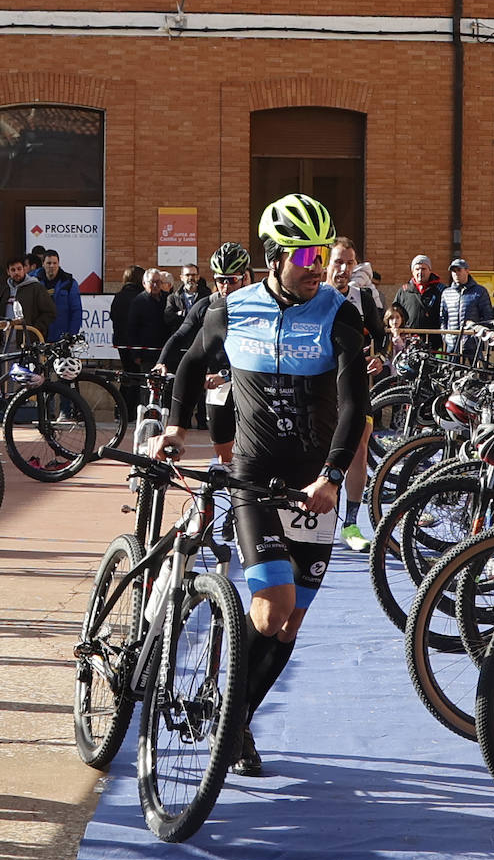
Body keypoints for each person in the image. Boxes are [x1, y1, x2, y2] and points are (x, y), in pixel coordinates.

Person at [153, 193, 367, 777]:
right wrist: (175, 424)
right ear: (273, 256)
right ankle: (230, 723)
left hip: (312, 486)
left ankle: (233, 716)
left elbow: (354, 404)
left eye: (320, 252)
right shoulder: (231, 309)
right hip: (253, 477)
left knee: (291, 621)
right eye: (303, 252)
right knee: (273, 608)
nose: (315, 264)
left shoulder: (337, 313)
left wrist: (331, 476)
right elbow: (193, 363)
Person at [155, 242, 253, 465]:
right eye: (220, 280)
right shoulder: (207, 307)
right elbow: (182, 340)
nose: (225, 286)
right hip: (219, 386)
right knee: (224, 455)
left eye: (232, 280)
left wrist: (227, 375)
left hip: (251, 386)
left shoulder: (261, 308)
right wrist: (162, 362)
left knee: (256, 457)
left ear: (246, 277)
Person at [328, 238, 384, 552]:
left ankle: (350, 523)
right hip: (322, 384)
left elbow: (381, 335)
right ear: (326, 263)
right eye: (338, 261)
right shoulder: (315, 296)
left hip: (355, 384)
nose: (344, 269)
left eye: (350, 263)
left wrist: (382, 358)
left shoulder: (361, 296)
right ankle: (317, 517)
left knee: (359, 449)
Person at [110, 266, 145, 414]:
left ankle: (120, 408)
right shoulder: (141, 297)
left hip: (120, 341)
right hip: (136, 342)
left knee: (126, 374)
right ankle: (129, 410)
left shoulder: (119, 296)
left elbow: (113, 316)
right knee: (136, 377)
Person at [439, 258, 493, 354]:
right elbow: (443, 317)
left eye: (459, 270)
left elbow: (487, 316)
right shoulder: (446, 293)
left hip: (473, 343)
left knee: (474, 368)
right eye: (453, 271)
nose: (456, 273)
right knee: (451, 368)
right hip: (452, 342)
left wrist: (478, 335)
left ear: (467, 271)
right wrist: (445, 335)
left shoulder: (480, 291)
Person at [0, 255, 55, 341]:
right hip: (6, 341)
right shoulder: (5, 290)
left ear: (24, 269)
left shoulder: (36, 287)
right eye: (13, 270)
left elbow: (50, 312)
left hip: (28, 342)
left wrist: (34, 330)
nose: (16, 272)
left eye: (19, 269)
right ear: (8, 272)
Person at [126, 268, 171, 372]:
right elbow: (132, 329)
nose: (155, 285)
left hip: (166, 353)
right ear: (144, 283)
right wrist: (136, 354)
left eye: (158, 282)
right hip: (147, 355)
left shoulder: (168, 299)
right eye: (152, 282)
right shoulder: (138, 302)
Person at [34, 249, 83, 342]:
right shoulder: (34, 282)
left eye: (54, 263)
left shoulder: (69, 283)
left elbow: (76, 311)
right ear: (43, 264)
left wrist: (72, 335)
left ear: (58, 264)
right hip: (39, 334)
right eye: (48, 263)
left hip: (61, 336)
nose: (52, 266)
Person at [393, 254, 443, 332]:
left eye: (423, 269)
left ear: (430, 271)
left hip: (433, 338)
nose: (420, 272)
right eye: (417, 269)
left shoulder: (440, 290)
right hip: (409, 337)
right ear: (412, 272)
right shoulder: (404, 291)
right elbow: (395, 311)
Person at [164, 264, 211, 332]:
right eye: (187, 275)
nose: (191, 278)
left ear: (198, 277)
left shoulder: (206, 296)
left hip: (199, 335)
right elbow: (168, 318)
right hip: (181, 336)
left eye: (193, 275)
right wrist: (182, 314)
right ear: (181, 277)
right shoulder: (173, 298)